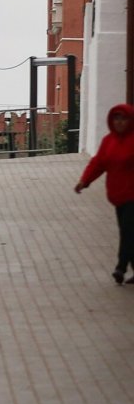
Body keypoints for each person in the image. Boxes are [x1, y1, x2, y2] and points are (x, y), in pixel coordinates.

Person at [76, 103, 134, 283]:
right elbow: (98, 164)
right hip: (118, 196)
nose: (119, 122)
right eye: (116, 118)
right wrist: (84, 181)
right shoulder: (108, 141)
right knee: (128, 233)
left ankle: (120, 268)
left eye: (123, 118)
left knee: (127, 232)